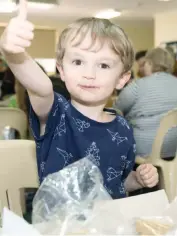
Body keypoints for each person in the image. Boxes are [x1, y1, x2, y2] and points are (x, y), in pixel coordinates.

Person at [0, 0, 158, 199]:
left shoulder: (124, 129)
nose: (89, 74)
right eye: (78, 61)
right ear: (62, 70)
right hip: (62, 226)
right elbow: (41, 88)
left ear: (122, 79)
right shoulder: (55, 114)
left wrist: (138, 180)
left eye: (103, 65)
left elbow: (118, 181)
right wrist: (14, 54)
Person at [114, 47, 177, 159]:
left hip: (144, 151)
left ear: (149, 63)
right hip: (174, 150)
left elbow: (116, 109)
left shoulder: (138, 86)